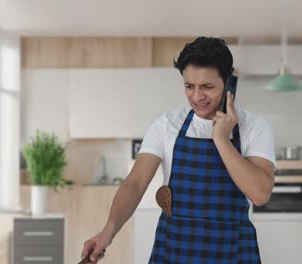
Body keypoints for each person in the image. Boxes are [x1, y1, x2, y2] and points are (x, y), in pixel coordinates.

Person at [81, 36, 276, 264]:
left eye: (207, 87)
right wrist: (108, 231)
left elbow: (260, 194)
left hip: (232, 251)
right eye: (189, 86)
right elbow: (135, 183)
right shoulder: (167, 125)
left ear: (228, 82)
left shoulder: (253, 126)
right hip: (175, 249)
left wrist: (221, 139)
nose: (196, 96)